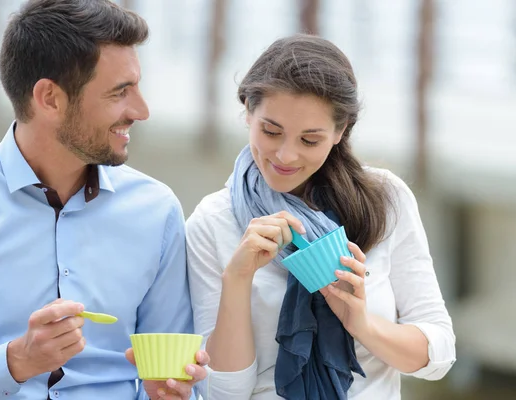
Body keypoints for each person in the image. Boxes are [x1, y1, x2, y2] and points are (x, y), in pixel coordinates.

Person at [0, 1, 208, 399]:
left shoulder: (156, 211)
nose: (141, 110)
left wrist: (171, 392)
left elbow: (179, 377)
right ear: (50, 98)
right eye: (120, 92)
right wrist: (15, 362)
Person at [186, 34, 456, 399]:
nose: (286, 155)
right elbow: (223, 393)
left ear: (340, 131)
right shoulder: (213, 221)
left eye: (309, 140)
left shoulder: (384, 199)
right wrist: (238, 277)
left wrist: (360, 323)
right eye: (271, 131)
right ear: (248, 111)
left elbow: (439, 354)